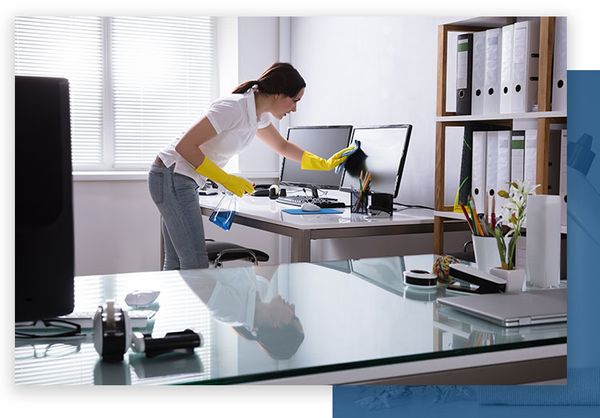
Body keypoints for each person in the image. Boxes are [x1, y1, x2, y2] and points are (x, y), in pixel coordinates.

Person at [148, 62, 354, 270]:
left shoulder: (257, 115)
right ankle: (193, 303)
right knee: (194, 263)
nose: (295, 108)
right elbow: (185, 146)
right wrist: (226, 179)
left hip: (177, 178)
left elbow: (282, 146)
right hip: (171, 174)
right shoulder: (233, 107)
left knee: (177, 262)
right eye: (294, 101)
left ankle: (178, 303)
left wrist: (323, 163)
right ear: (278, 94)